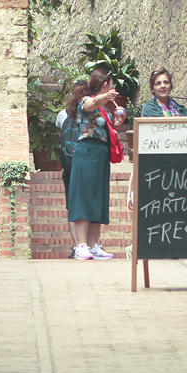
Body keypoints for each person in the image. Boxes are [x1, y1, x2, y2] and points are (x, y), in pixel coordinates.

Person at [66, 68, 124, 260]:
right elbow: (90, 104)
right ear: (105, 85)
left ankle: (93, 246)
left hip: (100, 153)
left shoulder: (104, 109)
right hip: (87, 152)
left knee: (97, 199)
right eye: (111, 84)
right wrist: (105, 96)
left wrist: (116, 124)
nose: (113, 88)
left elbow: (104, 132)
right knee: (84, 196)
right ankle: (80, 245)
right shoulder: (86, 101)